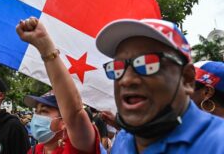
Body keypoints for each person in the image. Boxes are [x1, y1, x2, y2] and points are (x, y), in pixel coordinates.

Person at [95, 18, 224, 153]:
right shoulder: (124, 139)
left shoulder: (218, 144)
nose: (126, 80)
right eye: (117, 68)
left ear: (187, 79)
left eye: (147, 64)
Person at [16, 17, 101, 154]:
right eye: (36, 111)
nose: (36, 117)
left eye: (44, 111)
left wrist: (46, 48)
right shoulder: (33, 151)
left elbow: (74, 112)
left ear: (64, 122)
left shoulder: (77, 149)